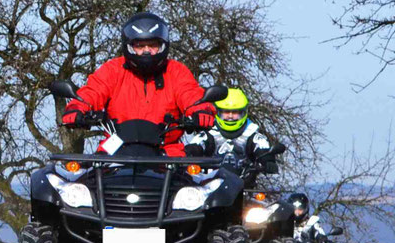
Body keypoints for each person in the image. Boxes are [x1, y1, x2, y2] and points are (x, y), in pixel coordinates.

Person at [59, 12, 216, 154]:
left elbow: (190, 93)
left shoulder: (176, 71)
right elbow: (93, 91)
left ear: (163, 45)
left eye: (153, 45)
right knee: (79, 180)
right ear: (129, 46)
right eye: (140, 46)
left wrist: (201, 111)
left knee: (205, 182)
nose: (147, 51)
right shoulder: (112, 70)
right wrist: (76, 108)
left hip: (166, 153)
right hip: (116, 148)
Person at [183, 87, 282, 174]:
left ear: (243, 112)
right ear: (218, 112)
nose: (230, 116)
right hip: (210, 186)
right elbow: (197, 145)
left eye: (235, 112)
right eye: (226, 112)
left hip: (244, 187)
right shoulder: (210, 133)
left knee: (261, 194)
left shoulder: (252, 133)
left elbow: (261, 148)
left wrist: (268, 160)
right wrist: (188, 153)